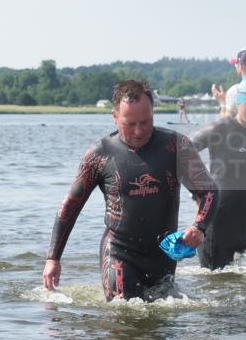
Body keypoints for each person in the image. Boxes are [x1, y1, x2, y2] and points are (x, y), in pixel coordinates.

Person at [42, 80, 218, 301]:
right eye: (129, 123)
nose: (138, 131)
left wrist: (199, 226)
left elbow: (209, 190)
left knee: (160, 328)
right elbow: (70, 206)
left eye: (145, 122)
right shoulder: (99, 155)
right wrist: (53, 259)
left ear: (153, 112)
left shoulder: (175, 146)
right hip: (119, 252)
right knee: (123, 317)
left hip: (162, 254)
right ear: (115, 117)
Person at [191, 84, 246, 269]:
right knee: (214, 280)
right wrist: (197, 191)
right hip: (218, 221)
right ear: (240, 102)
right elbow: (182, 152)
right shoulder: (219, 129)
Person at [212, 49, 246, 118]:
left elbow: (226, 122)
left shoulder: (235, 91)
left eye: (236, 65)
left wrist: (222, 102)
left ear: (241, 66)